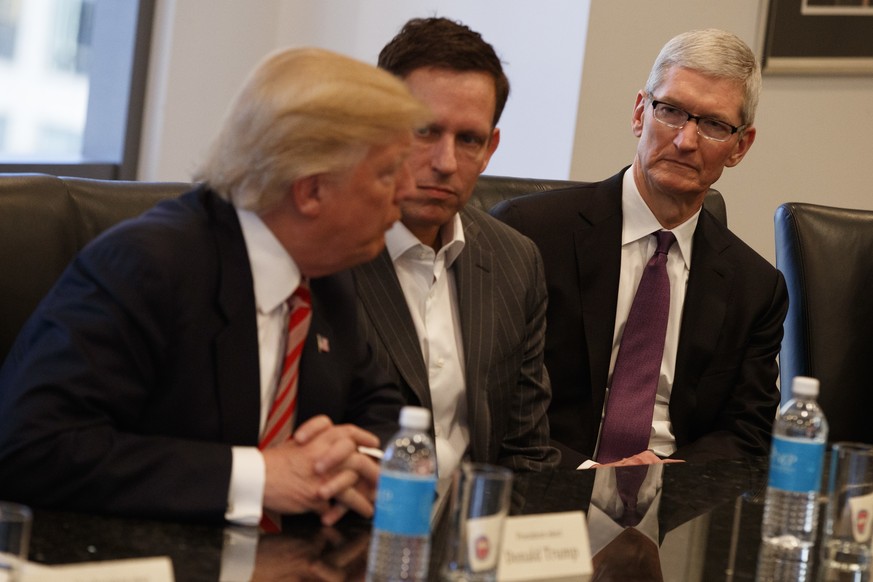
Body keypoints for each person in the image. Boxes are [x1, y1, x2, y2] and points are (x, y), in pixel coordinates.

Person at [0, 47, 431, 527]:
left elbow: (384, 414)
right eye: (387, 173)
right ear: (310, 190)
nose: (407, 190)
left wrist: (359, 464)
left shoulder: (327, 276)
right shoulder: (149, 265)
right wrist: (259, 475)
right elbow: (33, 446)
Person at [491, 29, 788, 469]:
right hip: (548, 489)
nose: (686, 141)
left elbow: (747, 433)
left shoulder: (756, 287)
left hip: (677, 506)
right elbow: (491, 398)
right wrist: (594, 476)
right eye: (670, 111)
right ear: (638, 114)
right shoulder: (528, 234)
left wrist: (669, 480)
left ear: (739, 146)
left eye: (713, 125)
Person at [352, 16, 559, 495]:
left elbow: (526, 454)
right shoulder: (327, 254)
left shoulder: (516, 261)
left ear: (490, 149)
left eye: (468, 139)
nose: (445, 163)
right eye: (424, 131)